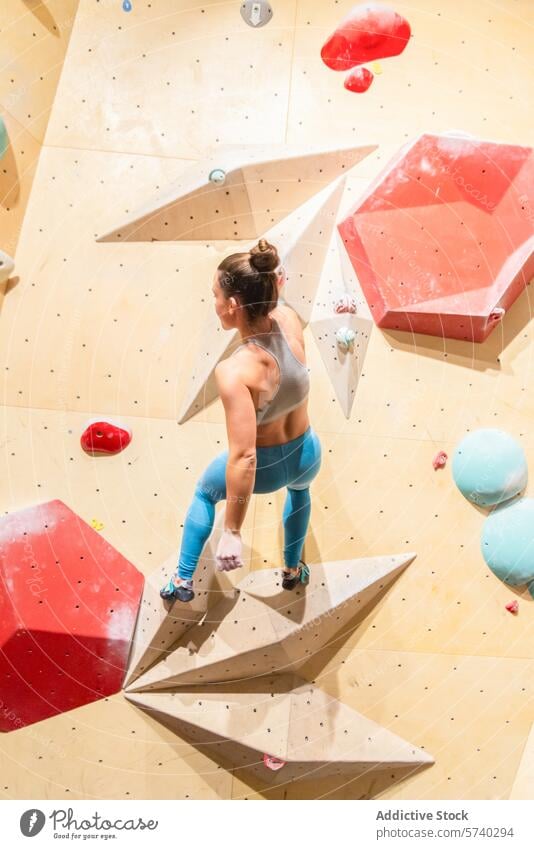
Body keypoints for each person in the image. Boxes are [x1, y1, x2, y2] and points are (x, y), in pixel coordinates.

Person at [160, 238, 322, 603]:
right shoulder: (290, 320)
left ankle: (183, 581)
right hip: (307, 453)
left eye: (215, 295)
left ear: (232, 306)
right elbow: (276, 302)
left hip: (265, 469)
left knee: (205, 492)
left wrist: (233, 530)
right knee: (300, 493)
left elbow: (244, 457)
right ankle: (293, 570)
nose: (214, 304)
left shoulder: (235, 371)